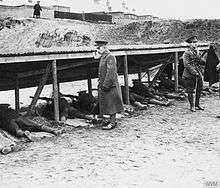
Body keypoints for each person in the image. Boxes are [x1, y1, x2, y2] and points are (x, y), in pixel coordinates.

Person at [95, 40, 124, 130]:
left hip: (111, 85)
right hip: (105, 84)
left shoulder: (110, 57)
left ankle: (112, 122)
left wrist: (106, 85)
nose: (97, 50)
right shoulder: (103, 57)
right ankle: (109, 120)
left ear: (104, 48)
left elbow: (111, 73)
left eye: (98, 48)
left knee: (112, 104)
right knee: (107, 103)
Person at [182, 36, 206, 112]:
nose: (195, 44)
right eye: (193, 42)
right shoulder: (187, 53)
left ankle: (197, 104)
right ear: (189, 44)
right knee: (190, 91)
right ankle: (192, 106)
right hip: (189, 75)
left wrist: (200, 57)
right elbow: (187, 64)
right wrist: (194, 72)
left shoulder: (198, 52)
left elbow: (203, 62)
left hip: (198, 73)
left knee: (199, 89)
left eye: (196, 42)